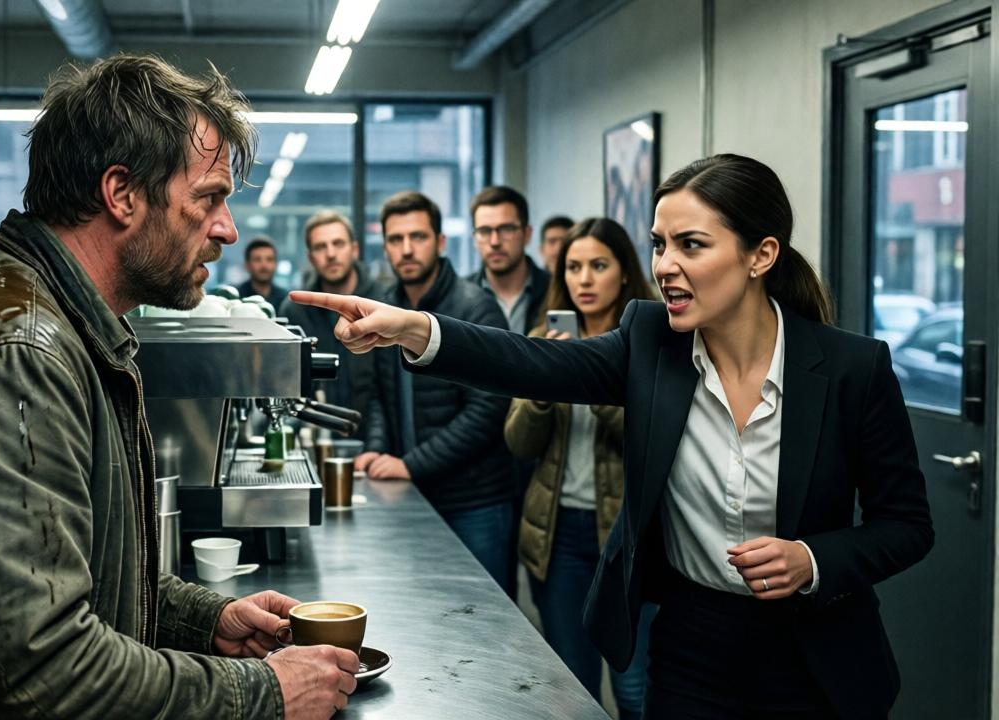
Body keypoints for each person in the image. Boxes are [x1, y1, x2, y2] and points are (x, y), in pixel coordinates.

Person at [0, 54, 357, 719]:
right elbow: (37, 671)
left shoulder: (56, 322)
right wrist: (263, 694)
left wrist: (200, 619)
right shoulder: (9, 350)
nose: (226, 230)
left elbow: (71, 572)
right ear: (121, 195)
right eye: (207, 198)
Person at [294, 154, 933, 719]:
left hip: (814, 654)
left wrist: (814, 560)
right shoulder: (651, 340)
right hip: (692, 650)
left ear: (761, 255)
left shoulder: (852, 368)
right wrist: (416, 329)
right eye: (659, 245)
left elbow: (906, 524)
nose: (666, 267)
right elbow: (528, 361)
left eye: (691, 245)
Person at [505, 217, 654, 719]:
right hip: (558, 533)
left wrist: (592, 377)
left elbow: (655, 440)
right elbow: (519, 441)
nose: (584, 279)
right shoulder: (544, 336)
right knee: (573, 687)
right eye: (573, 267)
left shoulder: (652, 345)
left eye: (598, 266)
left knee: (635, 693)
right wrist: (551, 378)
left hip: (630, 540)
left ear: (624, 273)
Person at [356, 190, 515, 589]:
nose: (407, 249)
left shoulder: (476, 308)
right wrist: (376, 447)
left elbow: (486, 412)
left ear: (440, 242)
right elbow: (380, 393)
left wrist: (411, 464)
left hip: (474, 502)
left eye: (419, 237)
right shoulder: (385, 306)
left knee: (487, 624)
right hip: (413, 496)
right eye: (396, 239)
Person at [279, 209, 384, 431]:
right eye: (320, 247)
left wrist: (375, 446)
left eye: (338, 244)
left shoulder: (382, 304)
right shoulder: (295, 311)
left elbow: (387, 392)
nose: (330, 254)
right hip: (313, 438)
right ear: (310, 258)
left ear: (354, 250)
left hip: (373, 443)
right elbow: (289, 387)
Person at [466, 186, 550, 335]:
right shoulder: (461, 296)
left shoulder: (555, 290)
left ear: (527, 234)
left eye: (506, 229)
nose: (495, 242)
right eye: (484, 231)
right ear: (474, 239)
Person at [237, 235, 289, 309]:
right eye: (257, 259)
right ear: (247, 265)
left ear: (276, 264)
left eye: (269, 259)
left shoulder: (285, 300)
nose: (264, 265)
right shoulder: (236, 299)